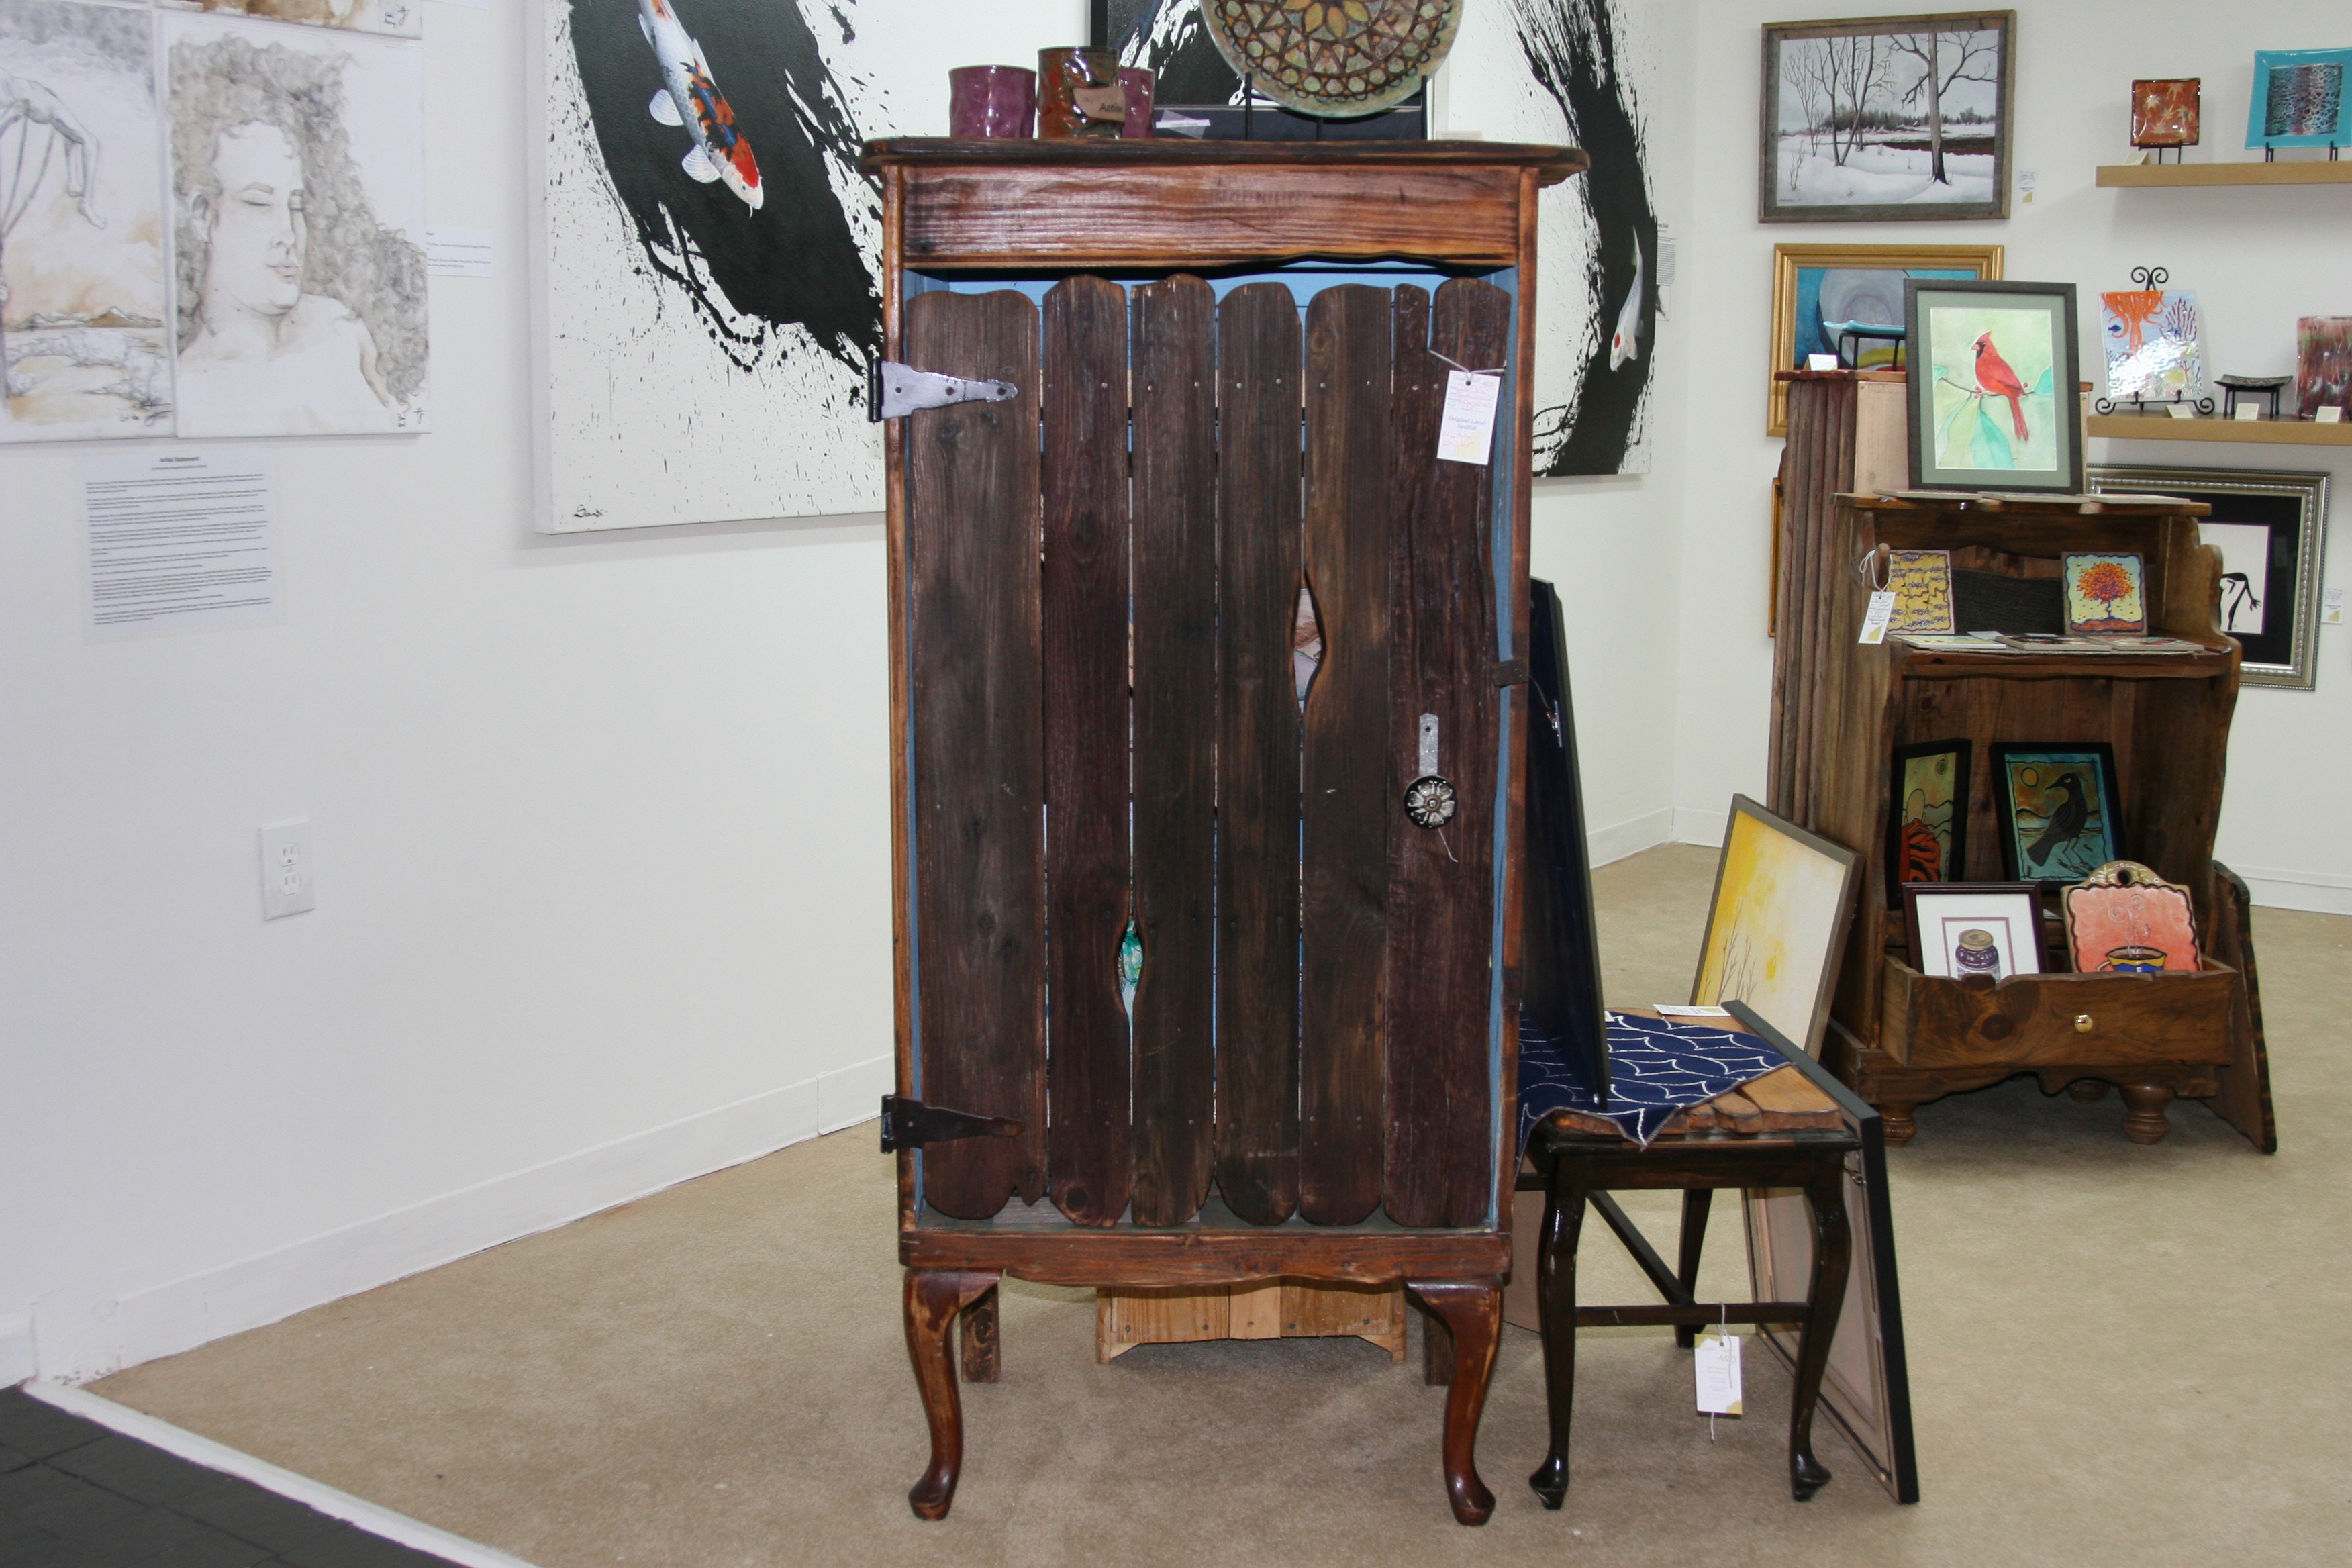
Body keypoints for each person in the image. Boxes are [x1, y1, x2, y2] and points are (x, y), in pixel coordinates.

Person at [170, 35, 422, 435]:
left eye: (296, 205)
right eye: (257, 203)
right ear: (203, 215)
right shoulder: (193, 389)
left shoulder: (339, 327)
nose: (287, 234)